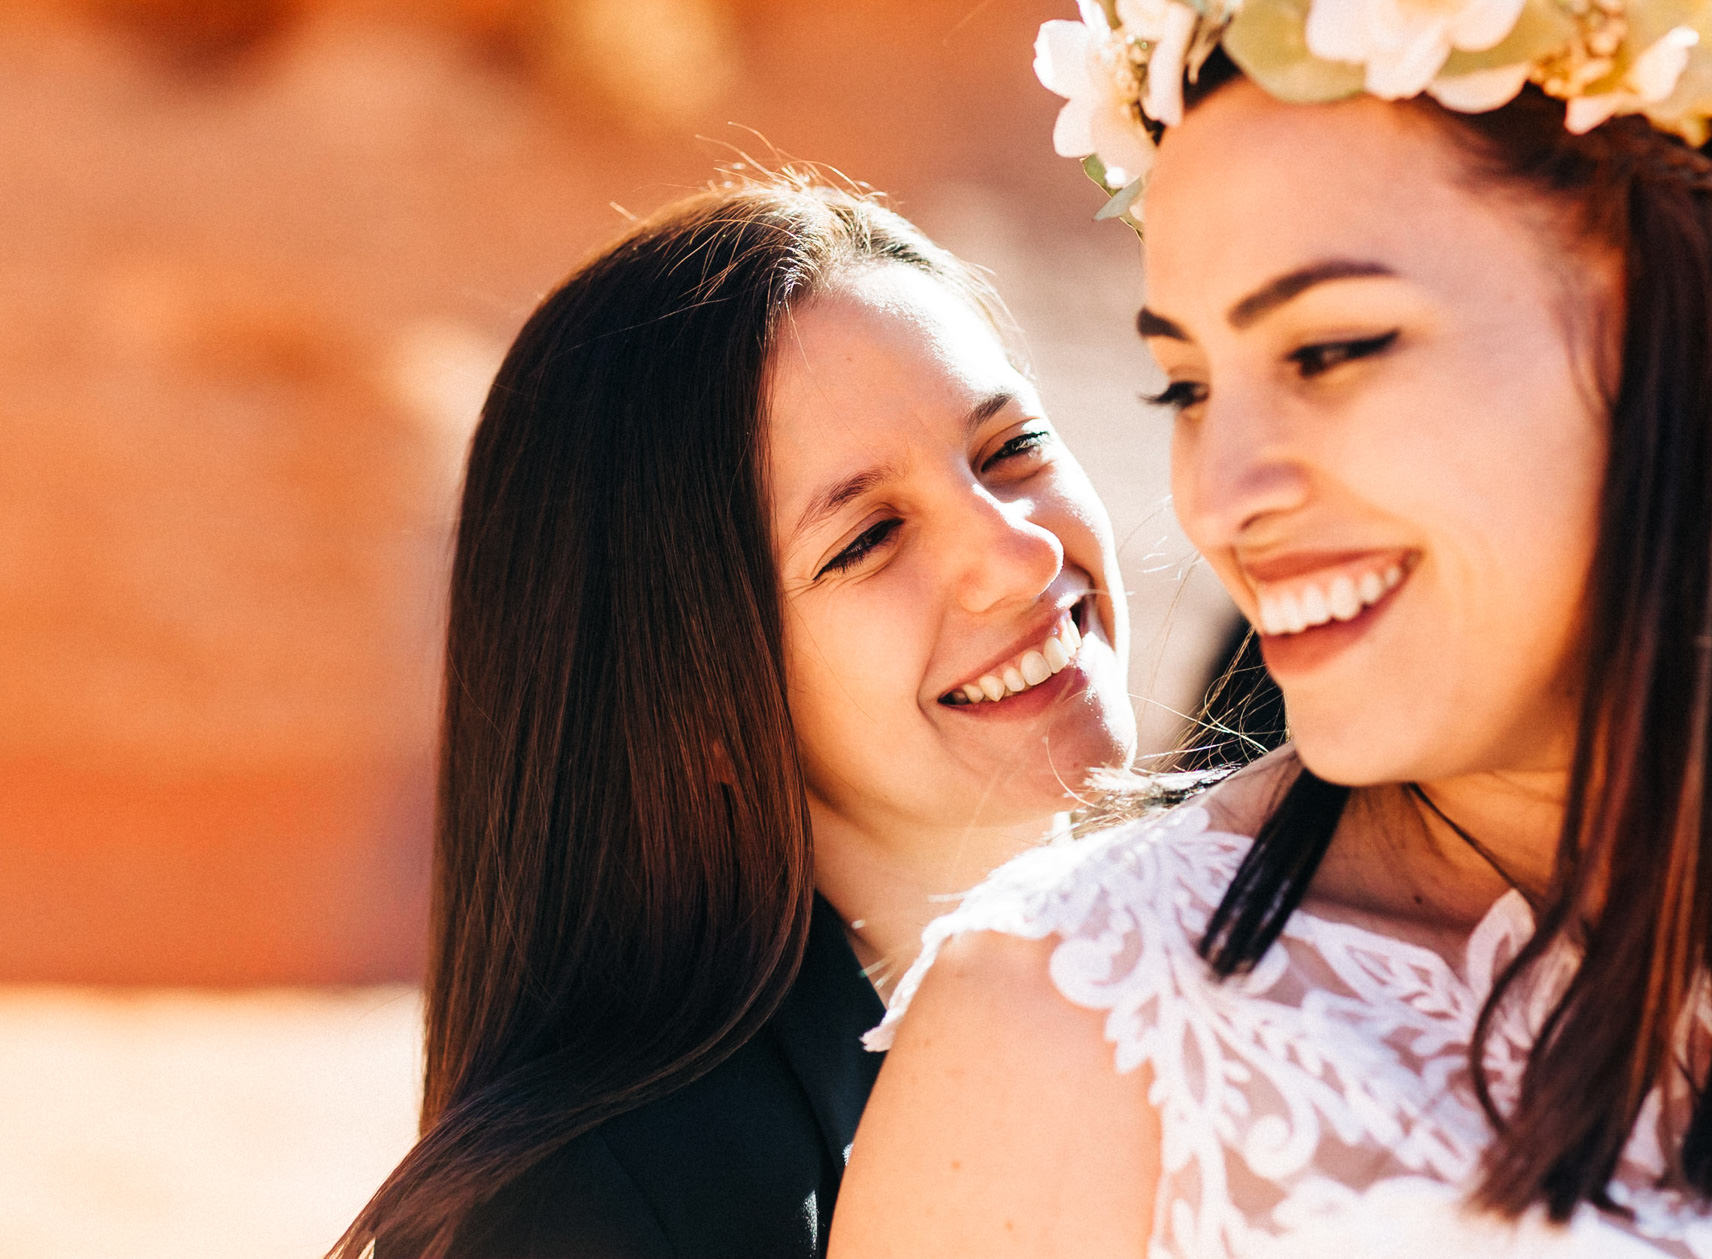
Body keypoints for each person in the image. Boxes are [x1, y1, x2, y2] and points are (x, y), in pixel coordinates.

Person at [831, 0, 1712, 1255]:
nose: (1219, 500)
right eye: (1186, 384)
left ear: (1694, 332)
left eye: (1332, 351)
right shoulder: (1066, 1019)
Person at [330, 177, 1135, 1259]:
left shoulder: (1237, 968)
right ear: (695, 695)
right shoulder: (601, 1214)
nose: (1020, 552)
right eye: (867, 537)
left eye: (1011, 449)